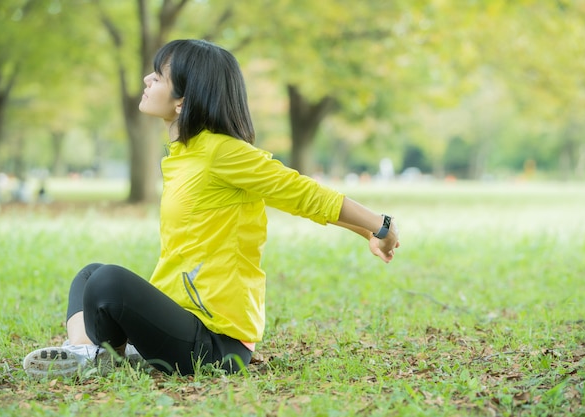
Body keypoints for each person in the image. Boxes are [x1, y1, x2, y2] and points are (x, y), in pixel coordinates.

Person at [23, 39, 400, 379]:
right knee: (91, 275)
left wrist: (379, 227)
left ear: (182, 99)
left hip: (217, 344)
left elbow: (302, 194)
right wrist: (367, 233)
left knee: (109, 283)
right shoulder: (184, 155)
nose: (146, 80)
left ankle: (95, 356)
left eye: (158, 76)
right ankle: (87, 354)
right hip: (181, 320)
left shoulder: (223, 151)